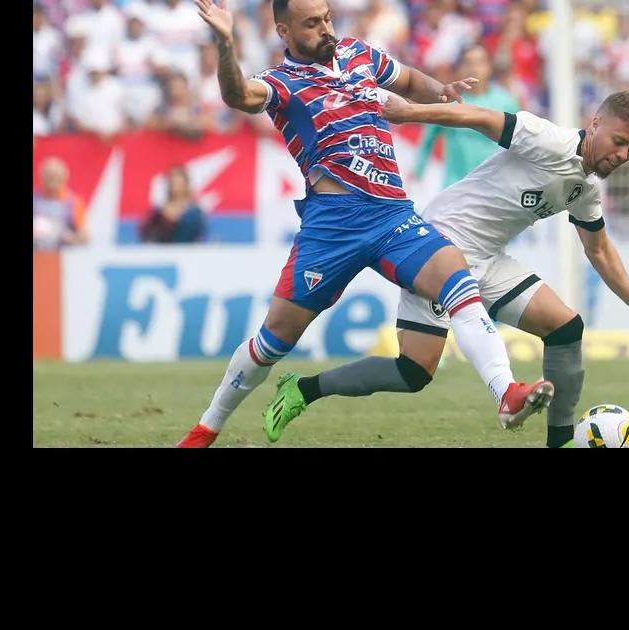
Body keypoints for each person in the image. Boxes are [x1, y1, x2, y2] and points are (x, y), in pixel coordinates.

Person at [175, 0, 552, 448]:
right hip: (332, 228)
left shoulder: (359, 54)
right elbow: (238, 96)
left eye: (327, 17)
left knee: (459, 283)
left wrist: (440, 91)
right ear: (283, 30)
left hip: (392, 214)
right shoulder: (282, 83)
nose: (325, 28)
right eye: (311, 23)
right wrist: (224, 41)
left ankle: (506, 394)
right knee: (274, 340)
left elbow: (408, 79)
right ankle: (206, 428)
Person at [266, 90, 629, 448]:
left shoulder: (584, 188)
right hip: (436, 249)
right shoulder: (547, 139)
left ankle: (560, 441)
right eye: (619, 141)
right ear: (596, 123)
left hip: (487, 259)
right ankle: (303, 389)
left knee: (565, 328)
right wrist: (408, 112)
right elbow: (475, 116)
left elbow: (599, 250)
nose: (622, 155)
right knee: (414, 372)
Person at [413, 44, 520, 188]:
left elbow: (518, 142)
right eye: (468, 63)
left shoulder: (506, 102)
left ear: (489, 67)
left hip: (496, 188)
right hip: (456, 187)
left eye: (480, 63)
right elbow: (427, 142)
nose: (474, 68)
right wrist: (417, 173)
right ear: (459, 68)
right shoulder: (447, 102)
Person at [139, 165, 207, 243]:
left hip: (188, 252)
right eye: (174, 183)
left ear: (186, 185)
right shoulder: (158, 212)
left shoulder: (195, 213)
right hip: (164, 252)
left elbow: (200, 235)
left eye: (180, 184)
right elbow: (146, 234)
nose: (177, 187)